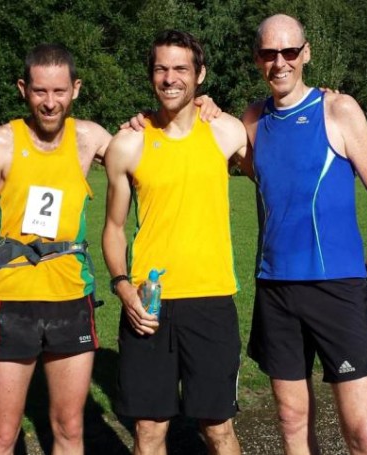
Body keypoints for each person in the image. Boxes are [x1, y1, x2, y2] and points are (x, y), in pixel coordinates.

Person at [242, 14, 367, 455]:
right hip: (275, 288)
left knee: (363, 431)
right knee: (292, 421)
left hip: (337, 288)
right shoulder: (253, 119)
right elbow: (205, 139)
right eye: (269, 54)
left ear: (305, 53)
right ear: (257, 59)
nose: (280, 63)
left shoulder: (338, 109)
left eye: (289, 51)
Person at [0, 43, 112, 454]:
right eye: (40, 91)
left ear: (75, 88)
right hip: (11, 300)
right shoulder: (0, 142)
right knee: (3, 434)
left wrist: (195, 108)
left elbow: (145, 162)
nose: (50, 102)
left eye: (59, 91)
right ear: (23, 88)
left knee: (69, 428)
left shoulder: (90, 138)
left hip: (71, 299)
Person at [102, 30, 248, 455]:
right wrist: (123, 287)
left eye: (181, 68)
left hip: (212, 301)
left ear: (199, 74)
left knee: (217, 429)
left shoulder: (227, 133)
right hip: (149, 305)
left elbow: (275, 155)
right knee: (149, 431)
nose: (170, 78)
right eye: (161, 69)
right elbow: (113, 228)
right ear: (151, 76)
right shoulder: (128, 143)